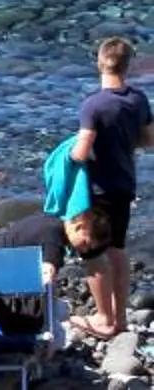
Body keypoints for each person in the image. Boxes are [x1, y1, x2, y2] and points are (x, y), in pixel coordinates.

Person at [70, 35, 154, 341]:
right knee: (117, 249)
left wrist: (65, 156)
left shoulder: (93, 105)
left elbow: (81, 151)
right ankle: (120, 319)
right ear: (128, 65)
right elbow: (149, 140)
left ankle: (104, 319)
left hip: (96, 189)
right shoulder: (138, 100)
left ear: (99, 63)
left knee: (92, 253)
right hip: (124, 184)